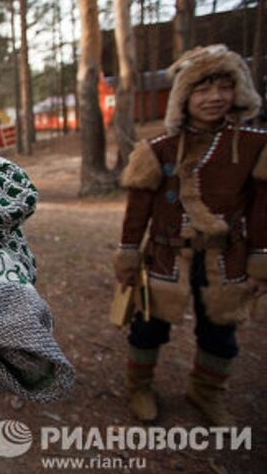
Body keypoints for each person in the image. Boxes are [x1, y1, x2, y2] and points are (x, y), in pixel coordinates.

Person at [113, 44, 267, 424]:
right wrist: (128, 255)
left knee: (220, 333)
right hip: (165, 257)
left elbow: (261, 209)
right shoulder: (157, 150)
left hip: (225, 258)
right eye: (202, 89)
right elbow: (137, 215)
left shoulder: (253, 145)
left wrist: (260, 260)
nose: (214, 97)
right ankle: (140, 387)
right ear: (183, 97)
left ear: (239, 90)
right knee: (148, 326)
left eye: (224, 87)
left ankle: (206, 392)